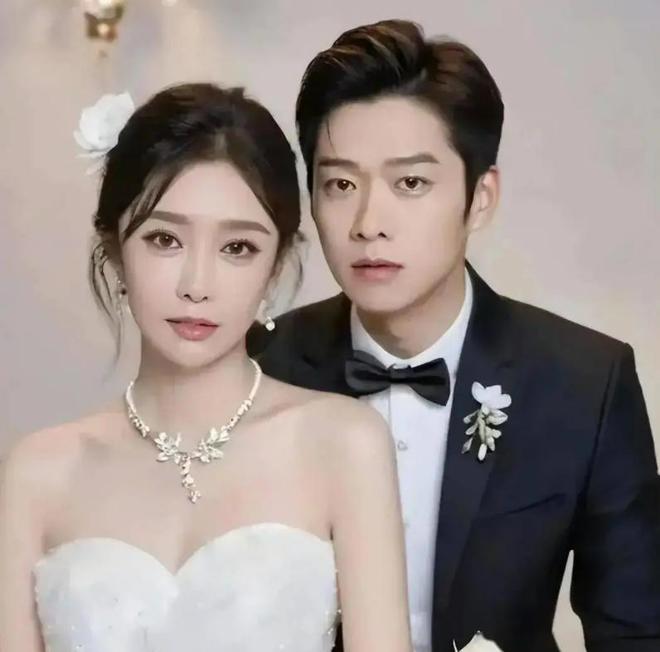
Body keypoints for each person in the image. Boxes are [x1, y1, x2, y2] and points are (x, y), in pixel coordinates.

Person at [248, 19, 660, 652]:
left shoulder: (585, 383)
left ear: (481, 197)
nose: (368, 223)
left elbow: (637, 633)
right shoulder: (260, 366)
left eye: (410, 183)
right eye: (341, 184)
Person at [0, 83, 413, 652]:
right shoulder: (38, 473)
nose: (197, 285)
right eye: (164, 239)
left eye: (237, 248)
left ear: (276, 266)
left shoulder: (344, 444)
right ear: (114, 250)